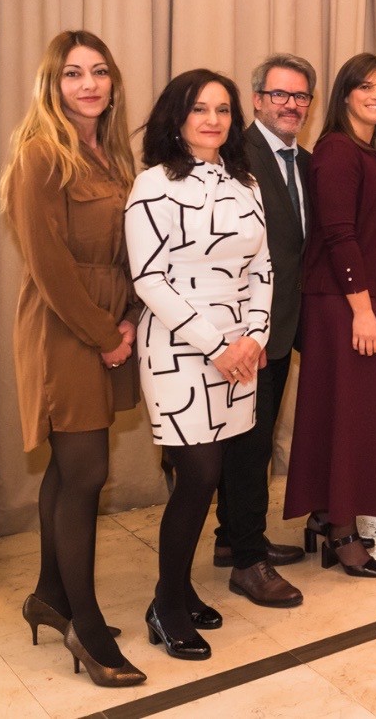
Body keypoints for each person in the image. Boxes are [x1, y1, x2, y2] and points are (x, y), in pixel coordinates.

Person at [0, 31, 145, 687]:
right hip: (63, 329)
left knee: (68, 467)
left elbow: (131, 249)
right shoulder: (40, 153)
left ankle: (49, 597)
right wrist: (104, 334)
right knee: (87, 472)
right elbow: (50, 265)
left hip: (107, 323)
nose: (88, 84)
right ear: (52, 84)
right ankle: (86, 627)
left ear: (113, 83)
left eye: (99, 72)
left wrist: (131, 316)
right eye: (73, 73)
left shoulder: (113, 156)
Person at [127, 69, 271, 661]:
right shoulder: (152, 185)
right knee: (198, 474)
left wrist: (255, 336)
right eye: (199, 109)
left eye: (222, 109)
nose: (212, 120)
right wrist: (216, 345)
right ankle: (165, 605)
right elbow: (149, 279)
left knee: (215, 472)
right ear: (176, 116)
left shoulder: (245, 182)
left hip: (241, 351)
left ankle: (181, 591)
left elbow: (263, 269)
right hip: (179, 348)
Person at [282, 54, 376, 578]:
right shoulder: (336, 150)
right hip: (344, 305)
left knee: (342, 413)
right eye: (365, 86)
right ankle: (343, 531)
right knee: (351, 417)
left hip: (360, 302)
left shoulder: (367, 151)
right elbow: (338, 234)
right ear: (345, 94)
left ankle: (326, 512)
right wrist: (362, 309)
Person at [214, 54, 316, 608]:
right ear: (256, 100)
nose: (290, 105)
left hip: (283, 325)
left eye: (300, 96)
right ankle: (248, 561)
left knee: (252, 440)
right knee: (249, 448)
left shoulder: (305, 162)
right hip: (242, 331)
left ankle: (233, 538)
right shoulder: (235, 157)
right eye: (280, 94)